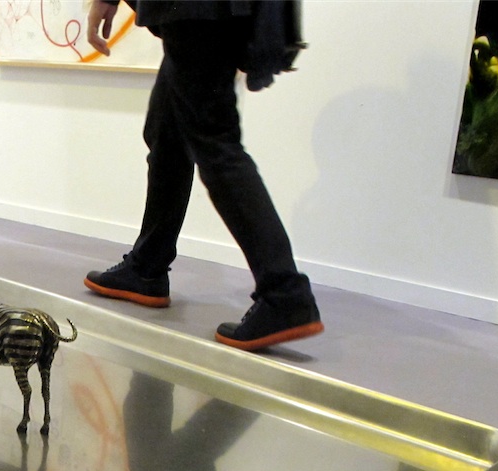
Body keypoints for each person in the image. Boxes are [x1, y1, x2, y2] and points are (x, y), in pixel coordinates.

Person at [83, 0, 323, 351]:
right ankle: (147, 267)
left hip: (197, 9)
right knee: (167, 133)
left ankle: (285, 294)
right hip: (204, 9)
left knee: (215, 143)